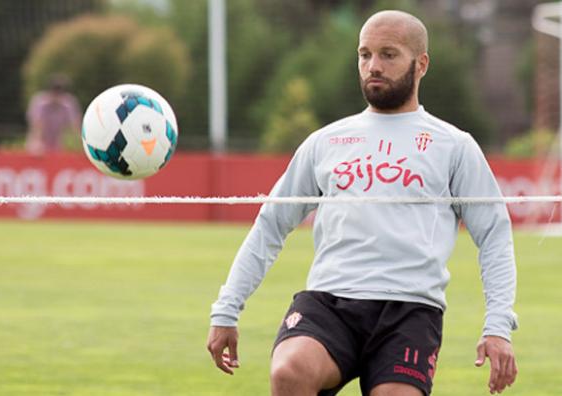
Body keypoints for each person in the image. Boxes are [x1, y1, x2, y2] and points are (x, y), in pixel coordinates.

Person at [207, 10, 518, 396]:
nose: (373, 66)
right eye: (365, 54)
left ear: (421, 64)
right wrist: (226, 309)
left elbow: (494, 235)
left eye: (388, 54)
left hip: (409, 311)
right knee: (289, 372)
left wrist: (498, 327)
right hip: (330, 303)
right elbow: (270, 225)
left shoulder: (453, 145)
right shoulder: (326, 142)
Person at [25, 73, 81, 155]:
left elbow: (76, 124)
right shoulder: (39, 102)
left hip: (57, 144)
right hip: (38, 143)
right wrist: (38, 142)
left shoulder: (68, 103)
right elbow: (37, 124)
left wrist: (82, 142)